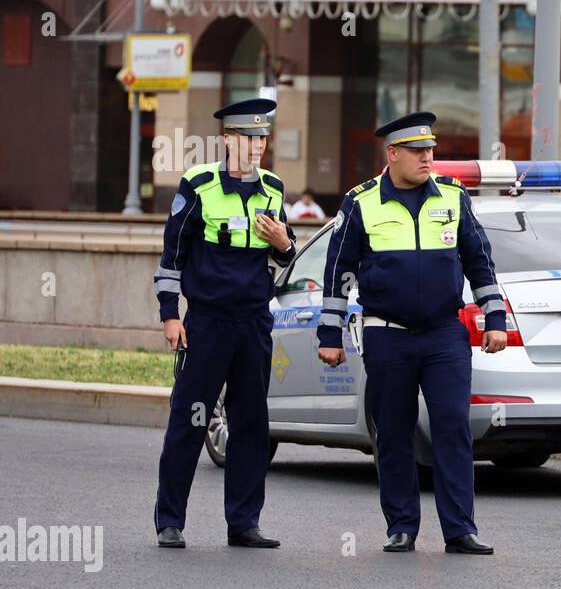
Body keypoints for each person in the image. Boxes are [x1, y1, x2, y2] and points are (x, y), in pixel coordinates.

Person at [316, 111, 506, 555]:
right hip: (388, 336)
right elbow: (337, 272)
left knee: (452, 426)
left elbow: (480, 262)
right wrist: (329, 336)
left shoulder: (453, 199)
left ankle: (460, 529)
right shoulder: (360, 203)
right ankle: (401, 526)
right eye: (418, 152)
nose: (428, 159)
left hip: (444, 335)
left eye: (431, 151)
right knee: (395, 431)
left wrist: (496, 320)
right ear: (393, 154)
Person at [152, 98, 296, 549]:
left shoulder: (274, 187)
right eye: (248, 138)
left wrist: (284, 242)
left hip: (253, 323)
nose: (257, 146)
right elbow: (172, 255)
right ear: (227, 140)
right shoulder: (198, 184)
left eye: (262, 138)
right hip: (208, 323)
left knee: (251, 424)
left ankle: (244, 523)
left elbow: (285, 257)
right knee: (188, 420)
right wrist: (170, 315)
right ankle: (170, 521)